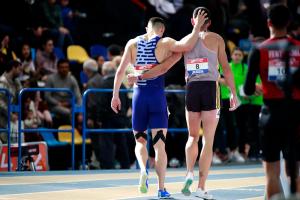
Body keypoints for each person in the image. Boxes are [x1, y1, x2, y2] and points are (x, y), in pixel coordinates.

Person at [127, 7, 239, 199]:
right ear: (209, 23)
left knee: (192, 136)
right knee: (208, 140)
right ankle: (201, 187)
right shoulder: (217, 39)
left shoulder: (186, 42)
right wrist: (233, 92)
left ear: (192, 22)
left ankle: (189, 173)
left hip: (192, 89)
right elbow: (226, 69)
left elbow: (165, 63)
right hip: (211, 88)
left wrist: (140, 74)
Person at [111, 11, 207, 198]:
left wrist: (115, 96)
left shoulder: (132, 43)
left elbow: (120, 71)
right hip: (157, 98)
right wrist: (196, 27)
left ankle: (142, 170)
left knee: (139, 141)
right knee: (160, 146)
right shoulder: (164, 42)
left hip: (139, 97)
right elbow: (186, 45)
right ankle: (162, 188)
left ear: (147, 27)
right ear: (161, 29)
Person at [244, 4, 300, 199]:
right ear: (289, 23)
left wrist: (261, 86)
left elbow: (248, 88)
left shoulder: (259, 50)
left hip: (270, 116)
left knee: (271, 174)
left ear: (268, 22)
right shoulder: (298, 48)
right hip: (295, 114)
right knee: (294, 171)